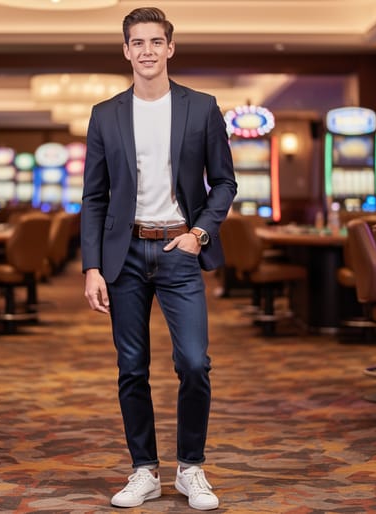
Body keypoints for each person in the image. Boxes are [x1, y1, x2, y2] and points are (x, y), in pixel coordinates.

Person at [80, 7, 237, 511]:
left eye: (155, 41)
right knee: (132, 367)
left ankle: (191, 467)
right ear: (125, 50)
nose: (146, 50)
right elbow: (94, 197)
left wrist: (199, 234)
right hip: (122, 254)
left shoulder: (202, 106)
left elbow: (225, 182)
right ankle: (143, 470)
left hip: (178, 250)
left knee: (194, 363)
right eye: (137, 42)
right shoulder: (105, 114)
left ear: (170, 48)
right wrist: (91, 266)